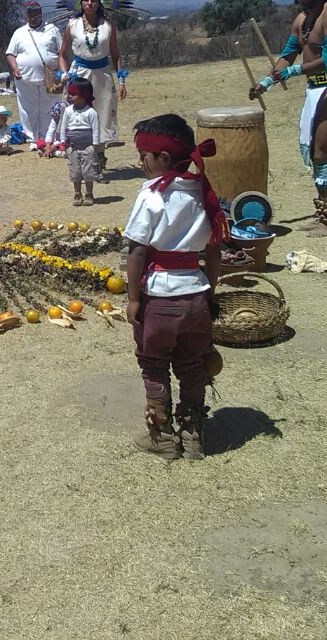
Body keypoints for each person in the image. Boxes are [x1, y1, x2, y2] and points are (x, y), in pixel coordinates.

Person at [123, 114, 225, 460]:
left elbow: (137, 250)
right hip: (195, 294)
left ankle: (162, 436)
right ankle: (193, 434)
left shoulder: (152, 195)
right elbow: (214, 251)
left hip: (160, 298)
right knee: (193, 364)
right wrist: (208, 292)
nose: (140, 163)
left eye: (144, 156)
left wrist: (134, 297)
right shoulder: (203, 193)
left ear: (163, 159)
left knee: (154, 364)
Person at [250, 0, 327, 235]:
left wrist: (293, 71)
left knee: (322, 151)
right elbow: (288, 54)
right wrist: (266, 83)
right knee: (313, 151)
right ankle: (324, 211)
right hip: (316, 89)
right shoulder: (301, 20)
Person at [53, 0, 142, 156]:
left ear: (99, 3)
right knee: (78, 114)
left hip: (102, 75)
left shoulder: (108, 26)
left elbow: (116, 55)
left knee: (102, 115)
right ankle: (79, 154)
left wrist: (121, 80)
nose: (90, 3)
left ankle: (100, 157)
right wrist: (64, 74)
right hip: (79, 75)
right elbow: (62, 54)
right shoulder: (72, 25)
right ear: (81, 3)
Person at [5, 0, 63, 142]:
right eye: (30, 13)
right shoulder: (19, 32)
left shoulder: (52, 29)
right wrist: (15, 68)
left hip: (50, 77)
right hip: (25, 78)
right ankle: (31, 137)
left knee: (49, 107)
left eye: (36, 12)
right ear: (26, 15)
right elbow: (10, 54)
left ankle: (47, 137)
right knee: (28, 109)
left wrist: (63, 72)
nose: (33, 16)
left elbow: (62, 52)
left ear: (41, 13)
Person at [61, 80, 103, 206]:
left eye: (74, 95)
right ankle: (77, 193)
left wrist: (94, 145)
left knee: (88, 172)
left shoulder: (91, 112)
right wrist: (64, 142)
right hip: (73, 147)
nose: (71, 97)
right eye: (70, 94)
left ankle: (89, 194)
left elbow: (96, 130)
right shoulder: (68, 111)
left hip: (88, 147)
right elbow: (63, 127)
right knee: (76, 172)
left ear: (84, 96)